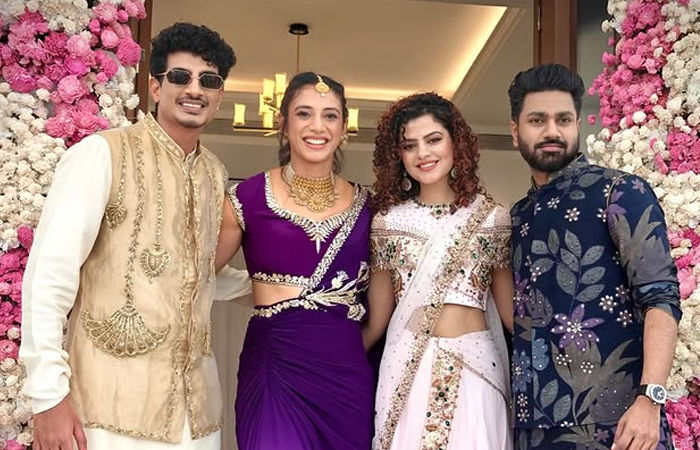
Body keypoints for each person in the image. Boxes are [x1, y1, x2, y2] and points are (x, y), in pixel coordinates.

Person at [20, 22, 251, 450]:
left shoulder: (214, 174)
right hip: (107, 412)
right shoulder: (102, 153)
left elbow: (196, 276)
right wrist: (47, 396)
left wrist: (282, 288)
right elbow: (51, 274)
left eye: (209, 80)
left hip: (196, 417)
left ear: (220, 95)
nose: (195, 89)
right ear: (156, 87)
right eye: (180, 76)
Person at [507, 63, 682, 450]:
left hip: (619, 426)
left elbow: (661, 299)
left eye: (563, 119)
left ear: (576, 125)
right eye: (537, 120)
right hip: (534, 429)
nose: (552, 131)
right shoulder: (516, 217)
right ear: (515, 130)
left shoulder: (620, 192)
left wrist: (650, 400)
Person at [215, 71, 374, 450]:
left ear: (344, 129)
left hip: (346, 372)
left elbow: (387, 297)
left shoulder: (369, 207)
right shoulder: (246, 199)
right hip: (276, 365)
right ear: (283, 124)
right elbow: (196, 275)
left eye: (330, 115)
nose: (317, 126)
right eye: (304, 113)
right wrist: (266, 292)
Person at [365, 92, 514, 450]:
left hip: (477, 368)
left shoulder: (492, 218)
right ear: (398, 156)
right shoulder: (387, 223)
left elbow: (512, 316)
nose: (423, 153)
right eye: (409, 145)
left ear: (455, 143)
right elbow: (377, 320)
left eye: (433, 140)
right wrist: (326, 363)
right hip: (409, 368)